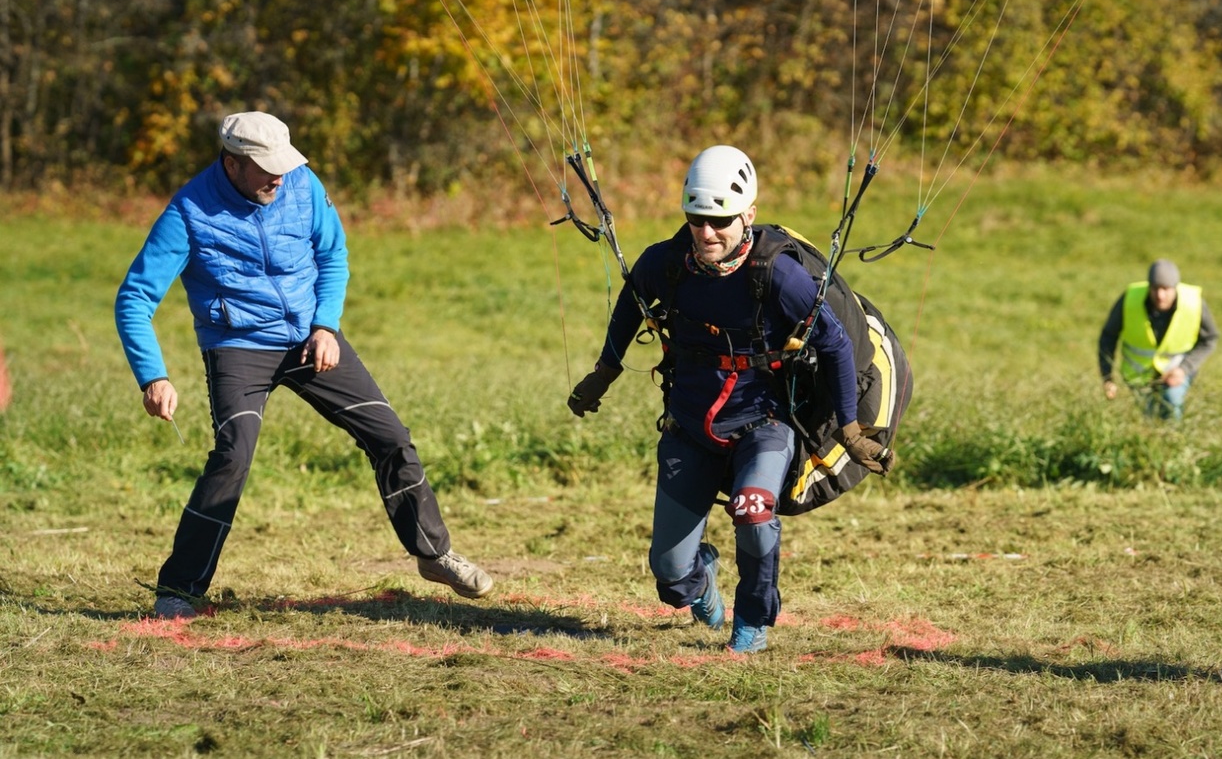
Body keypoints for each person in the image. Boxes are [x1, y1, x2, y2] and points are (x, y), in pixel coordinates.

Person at [115, 111, 492, 620]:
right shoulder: (188, 212)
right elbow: (134, 298)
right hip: (238, 346)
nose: (279, 177)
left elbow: (333, 254)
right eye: (267, 168)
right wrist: (153, 376)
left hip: (310, 338)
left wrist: (325, 326)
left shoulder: (302, 184)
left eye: (284, 165)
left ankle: (434, 553)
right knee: (232, 456)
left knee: (391, 437)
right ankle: (179, 589)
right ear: (232, 163)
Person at [566, 145, 889, 653]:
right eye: (696, 219)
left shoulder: (778, 275)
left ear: (748, 216)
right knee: (670, 575)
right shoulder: (665, 263)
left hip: (764, 424)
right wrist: (604, 372)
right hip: (690, 426)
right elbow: (630, 304)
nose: (706, 233)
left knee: (753, 512)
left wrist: (849, 429)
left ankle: (752, 621)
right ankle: (699, 579)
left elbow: (835, 344)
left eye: (719, 221)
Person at [1098, 258, 1220, 420]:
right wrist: (1107, 377)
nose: (1160, 295)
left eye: (1166, 289)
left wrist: (1184, 369)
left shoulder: (1193, 303)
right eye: (1155, 288)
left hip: (1176, 370)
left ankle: (1174, 434)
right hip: (1138, 374)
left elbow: (1210, 339)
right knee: (1147, 415)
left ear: (1175, 287)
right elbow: (1108, 337)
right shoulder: (1130, 299)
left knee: (1171, 402)